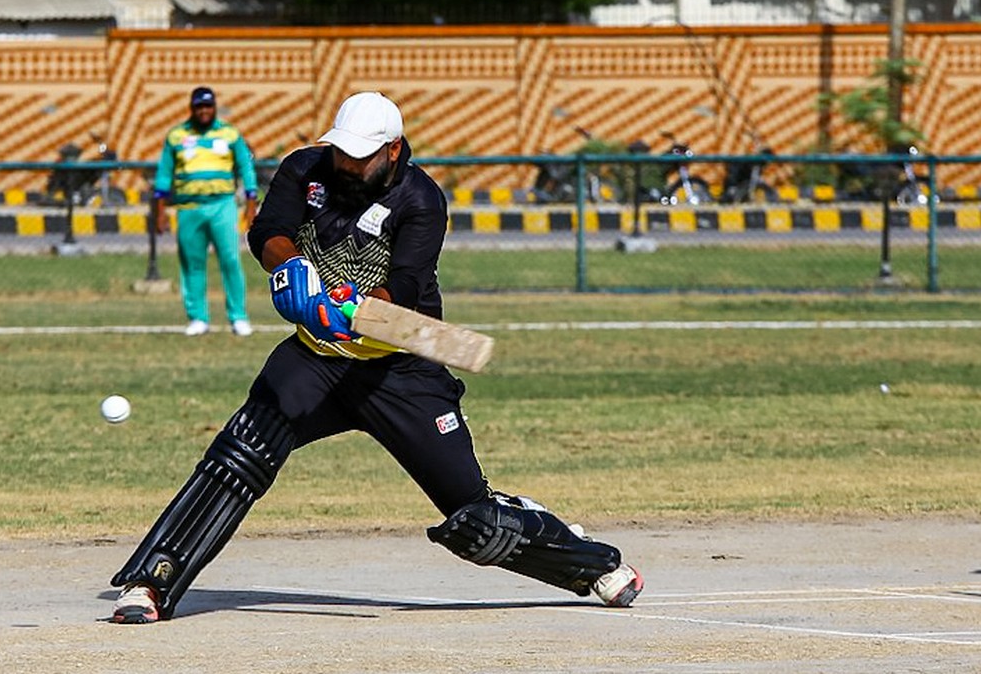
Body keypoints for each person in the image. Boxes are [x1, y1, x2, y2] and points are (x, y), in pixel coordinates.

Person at [109, 91, 642, 623]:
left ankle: (592, 562)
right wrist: (292, 270)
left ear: (392, 150)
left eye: (360, 156)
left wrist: (354, 310)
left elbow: (406, 285)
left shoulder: (421, 199)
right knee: (239, 455)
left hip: (399, 369)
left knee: (475, 521)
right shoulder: (305, 169)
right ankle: (151, 583)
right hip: (315, 359)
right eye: (342, 151)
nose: (347, 163)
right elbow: (267, 232)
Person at [154, 86, 259, 337]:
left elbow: (246, 168)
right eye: (199, 106)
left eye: (208, 106)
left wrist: (251, 204)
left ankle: (238, 317)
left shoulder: (229, 133)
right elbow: (164, 174)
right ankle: (198, 318)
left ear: (214, 107)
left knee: (230, 260)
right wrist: (160, 211)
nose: (204, 111)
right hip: (189, 207)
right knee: (192, 263)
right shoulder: (177, 135)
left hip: (222, 205)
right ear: (191, 108)